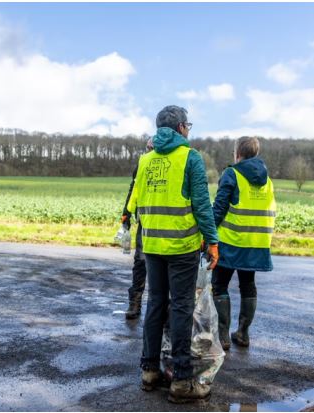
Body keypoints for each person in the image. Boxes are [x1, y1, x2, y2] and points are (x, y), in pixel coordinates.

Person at [127, 105, 219, 403]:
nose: (188, 130)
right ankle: (181, 380)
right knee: (180, 308)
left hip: (152, 245)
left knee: (155, 304)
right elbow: (202, 205)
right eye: (187, 126)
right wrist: (212, 241)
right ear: (181, 128)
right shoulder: (190, 157)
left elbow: (138, 202)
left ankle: (149, 371)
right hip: (182, 246)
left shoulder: (145, 160)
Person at [211, 136, 276, 350]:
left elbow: (219, 208)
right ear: (255, 154)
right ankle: (243, 333)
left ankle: (223, 336)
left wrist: (208, 232)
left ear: (237, 153)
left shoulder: (232, 174)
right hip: (256, 242)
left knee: (220, 285)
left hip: (231, 241)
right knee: (248, 285)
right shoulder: (267, 180)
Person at [121, 138, 154, 319]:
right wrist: (126, 213)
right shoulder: (141, 165)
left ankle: (164, 311)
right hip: (144, 223)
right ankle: (134, 303)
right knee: (140, 263)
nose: (148, 151)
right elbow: (133, 190)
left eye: (151, 148)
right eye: (147, 148)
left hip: (165, 225)